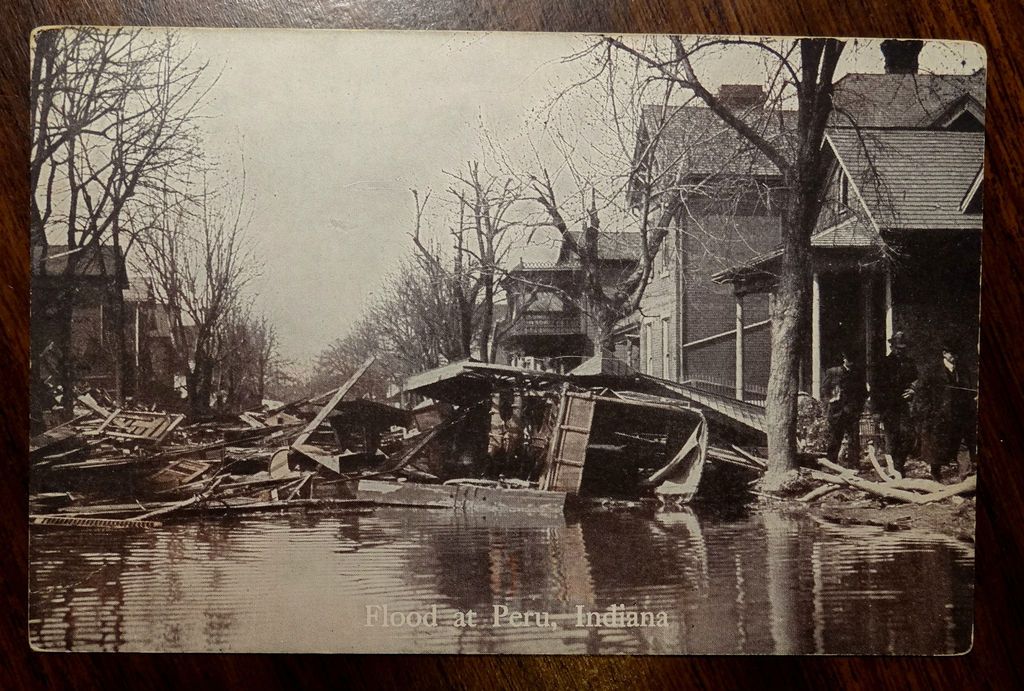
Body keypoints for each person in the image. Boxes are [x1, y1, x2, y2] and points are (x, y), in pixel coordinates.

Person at [924, 342, 977, 481]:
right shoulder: (933, 370)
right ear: (944, 353)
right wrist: (930, 413)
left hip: (960, 414)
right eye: (952, 354)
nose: (955, 357)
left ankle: (964, 476)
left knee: (963, 443)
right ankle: (936, 474)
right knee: (938, 446)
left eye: (957, 354)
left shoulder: (962, 370)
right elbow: (922, 393)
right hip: (940, 416)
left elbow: (969, 391)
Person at [874, 331, 919, 476]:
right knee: (892, 439)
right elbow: (876, 388)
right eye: (898, 348)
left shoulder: (910, 363)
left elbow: (917, 380)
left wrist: (913, 389)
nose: (900, 351)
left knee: (908, 436)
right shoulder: (884, 363)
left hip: (905, 406)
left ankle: (898, 466)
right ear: (892, 347)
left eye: (903, 348)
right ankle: (894, 471)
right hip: (888, 407)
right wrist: (876, 411)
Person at [822, 351, 866, 467]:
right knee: (834, 439)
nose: (850, 363)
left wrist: (858, 409)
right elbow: (825, 389)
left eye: (852, 361)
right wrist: (830, 400)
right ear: (844, 359)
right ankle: (830, 465)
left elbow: (863, 393)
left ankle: (854, 465)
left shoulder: (858, 374)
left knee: (854, 440)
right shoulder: (833, 372)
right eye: (848, 360)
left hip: (852, 412)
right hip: (837, 412)